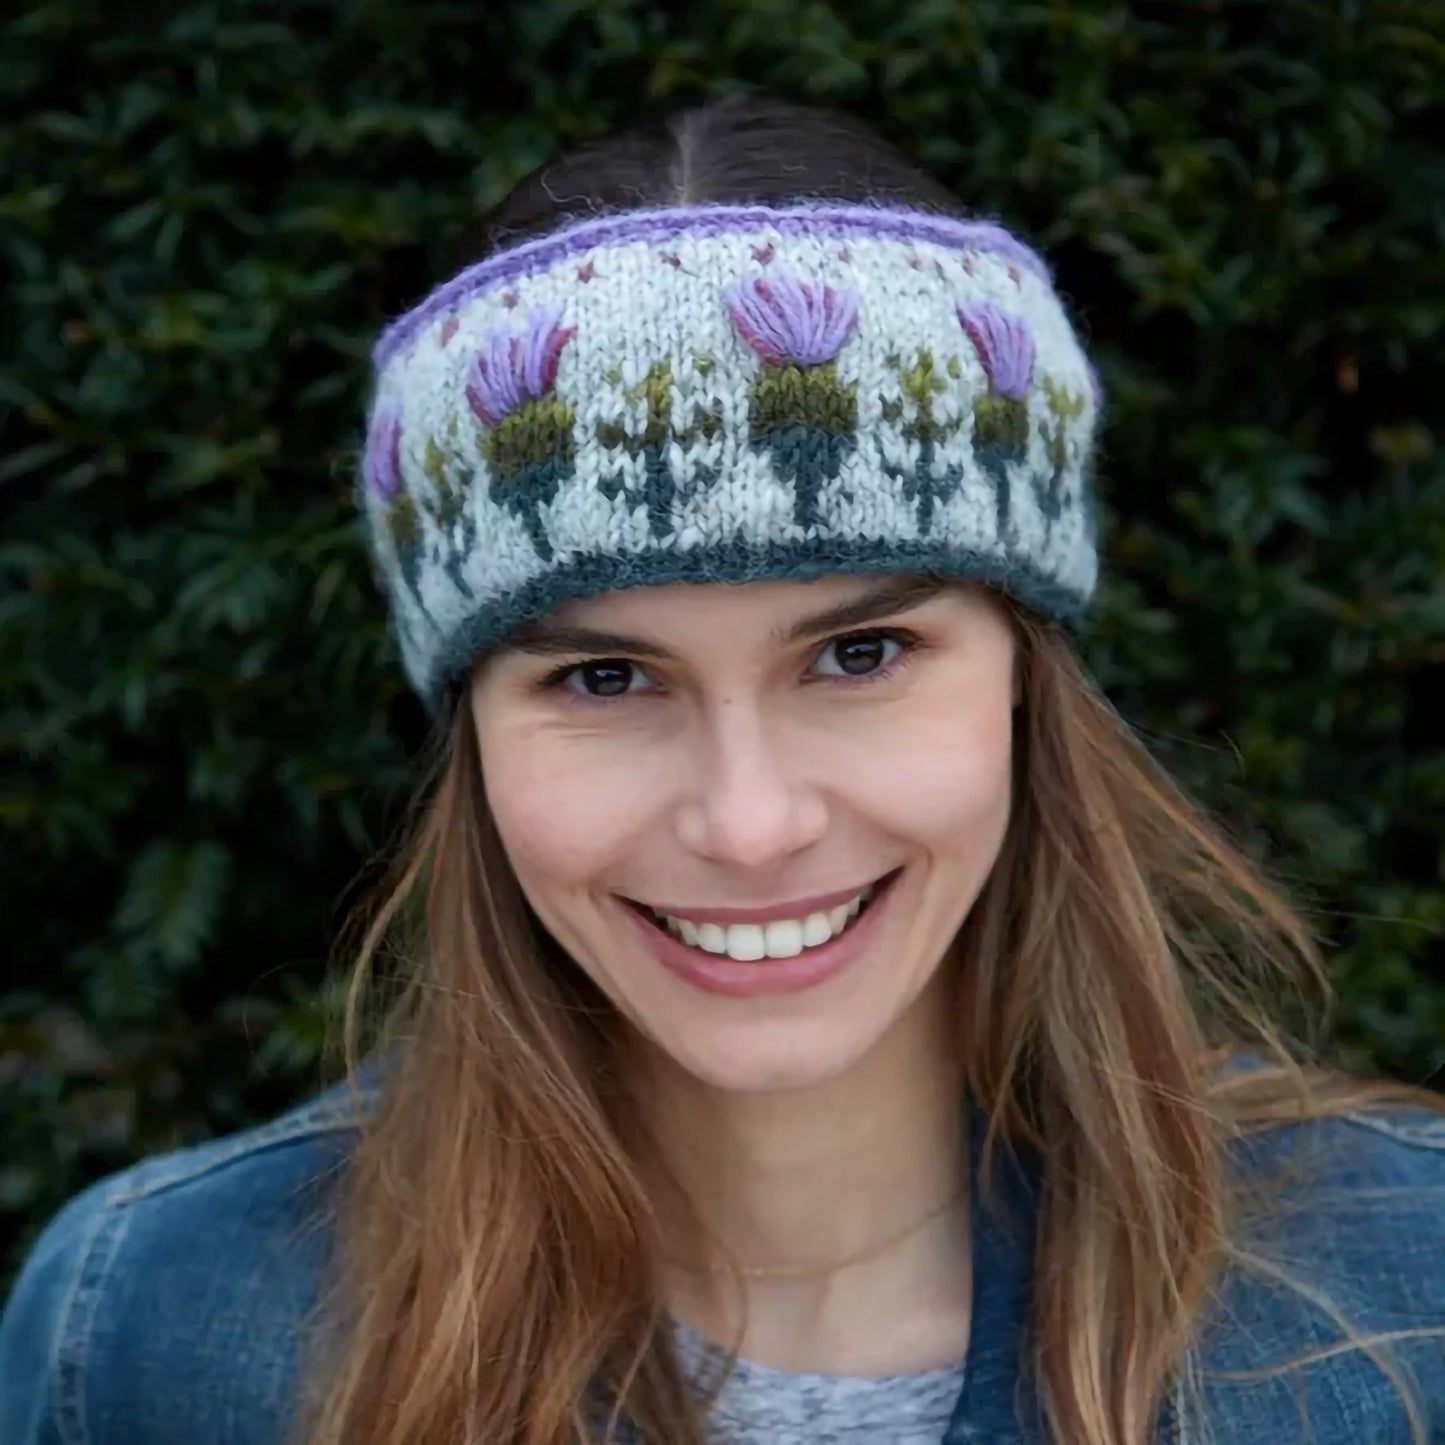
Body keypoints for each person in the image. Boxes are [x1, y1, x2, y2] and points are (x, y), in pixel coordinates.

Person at [2, 92, 1443, 1445]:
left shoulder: (1401, 1301)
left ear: (1024, 678)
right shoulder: (155, 1329)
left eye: (859, 653)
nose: (749, 824)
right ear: (473, 738)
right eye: (604, 677)